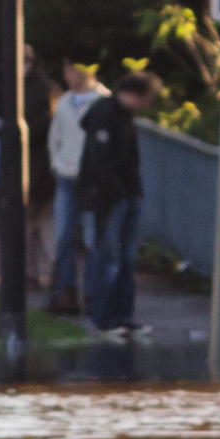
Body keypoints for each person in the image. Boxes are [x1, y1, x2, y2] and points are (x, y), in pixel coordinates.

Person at [76, 65, 154, 329]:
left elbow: (129, 161)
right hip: (108, 200)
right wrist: (119, 195)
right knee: (109, 258)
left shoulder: (124, 117)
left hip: (125, 197)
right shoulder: (106, 115)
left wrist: (133, 194)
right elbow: (102, 163)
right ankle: (103, 316)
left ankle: (122, 315)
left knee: (125, 260)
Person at [43, 61, 112, 312]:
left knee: (94, 238)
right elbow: (55, 138)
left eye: (70, 69)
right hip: (66, 177)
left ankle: (93, 294)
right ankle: (66, 291)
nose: (67, 74)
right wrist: (57, 164)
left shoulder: (105, 101)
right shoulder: (63, 102)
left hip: (94, 180)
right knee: (64, 237)